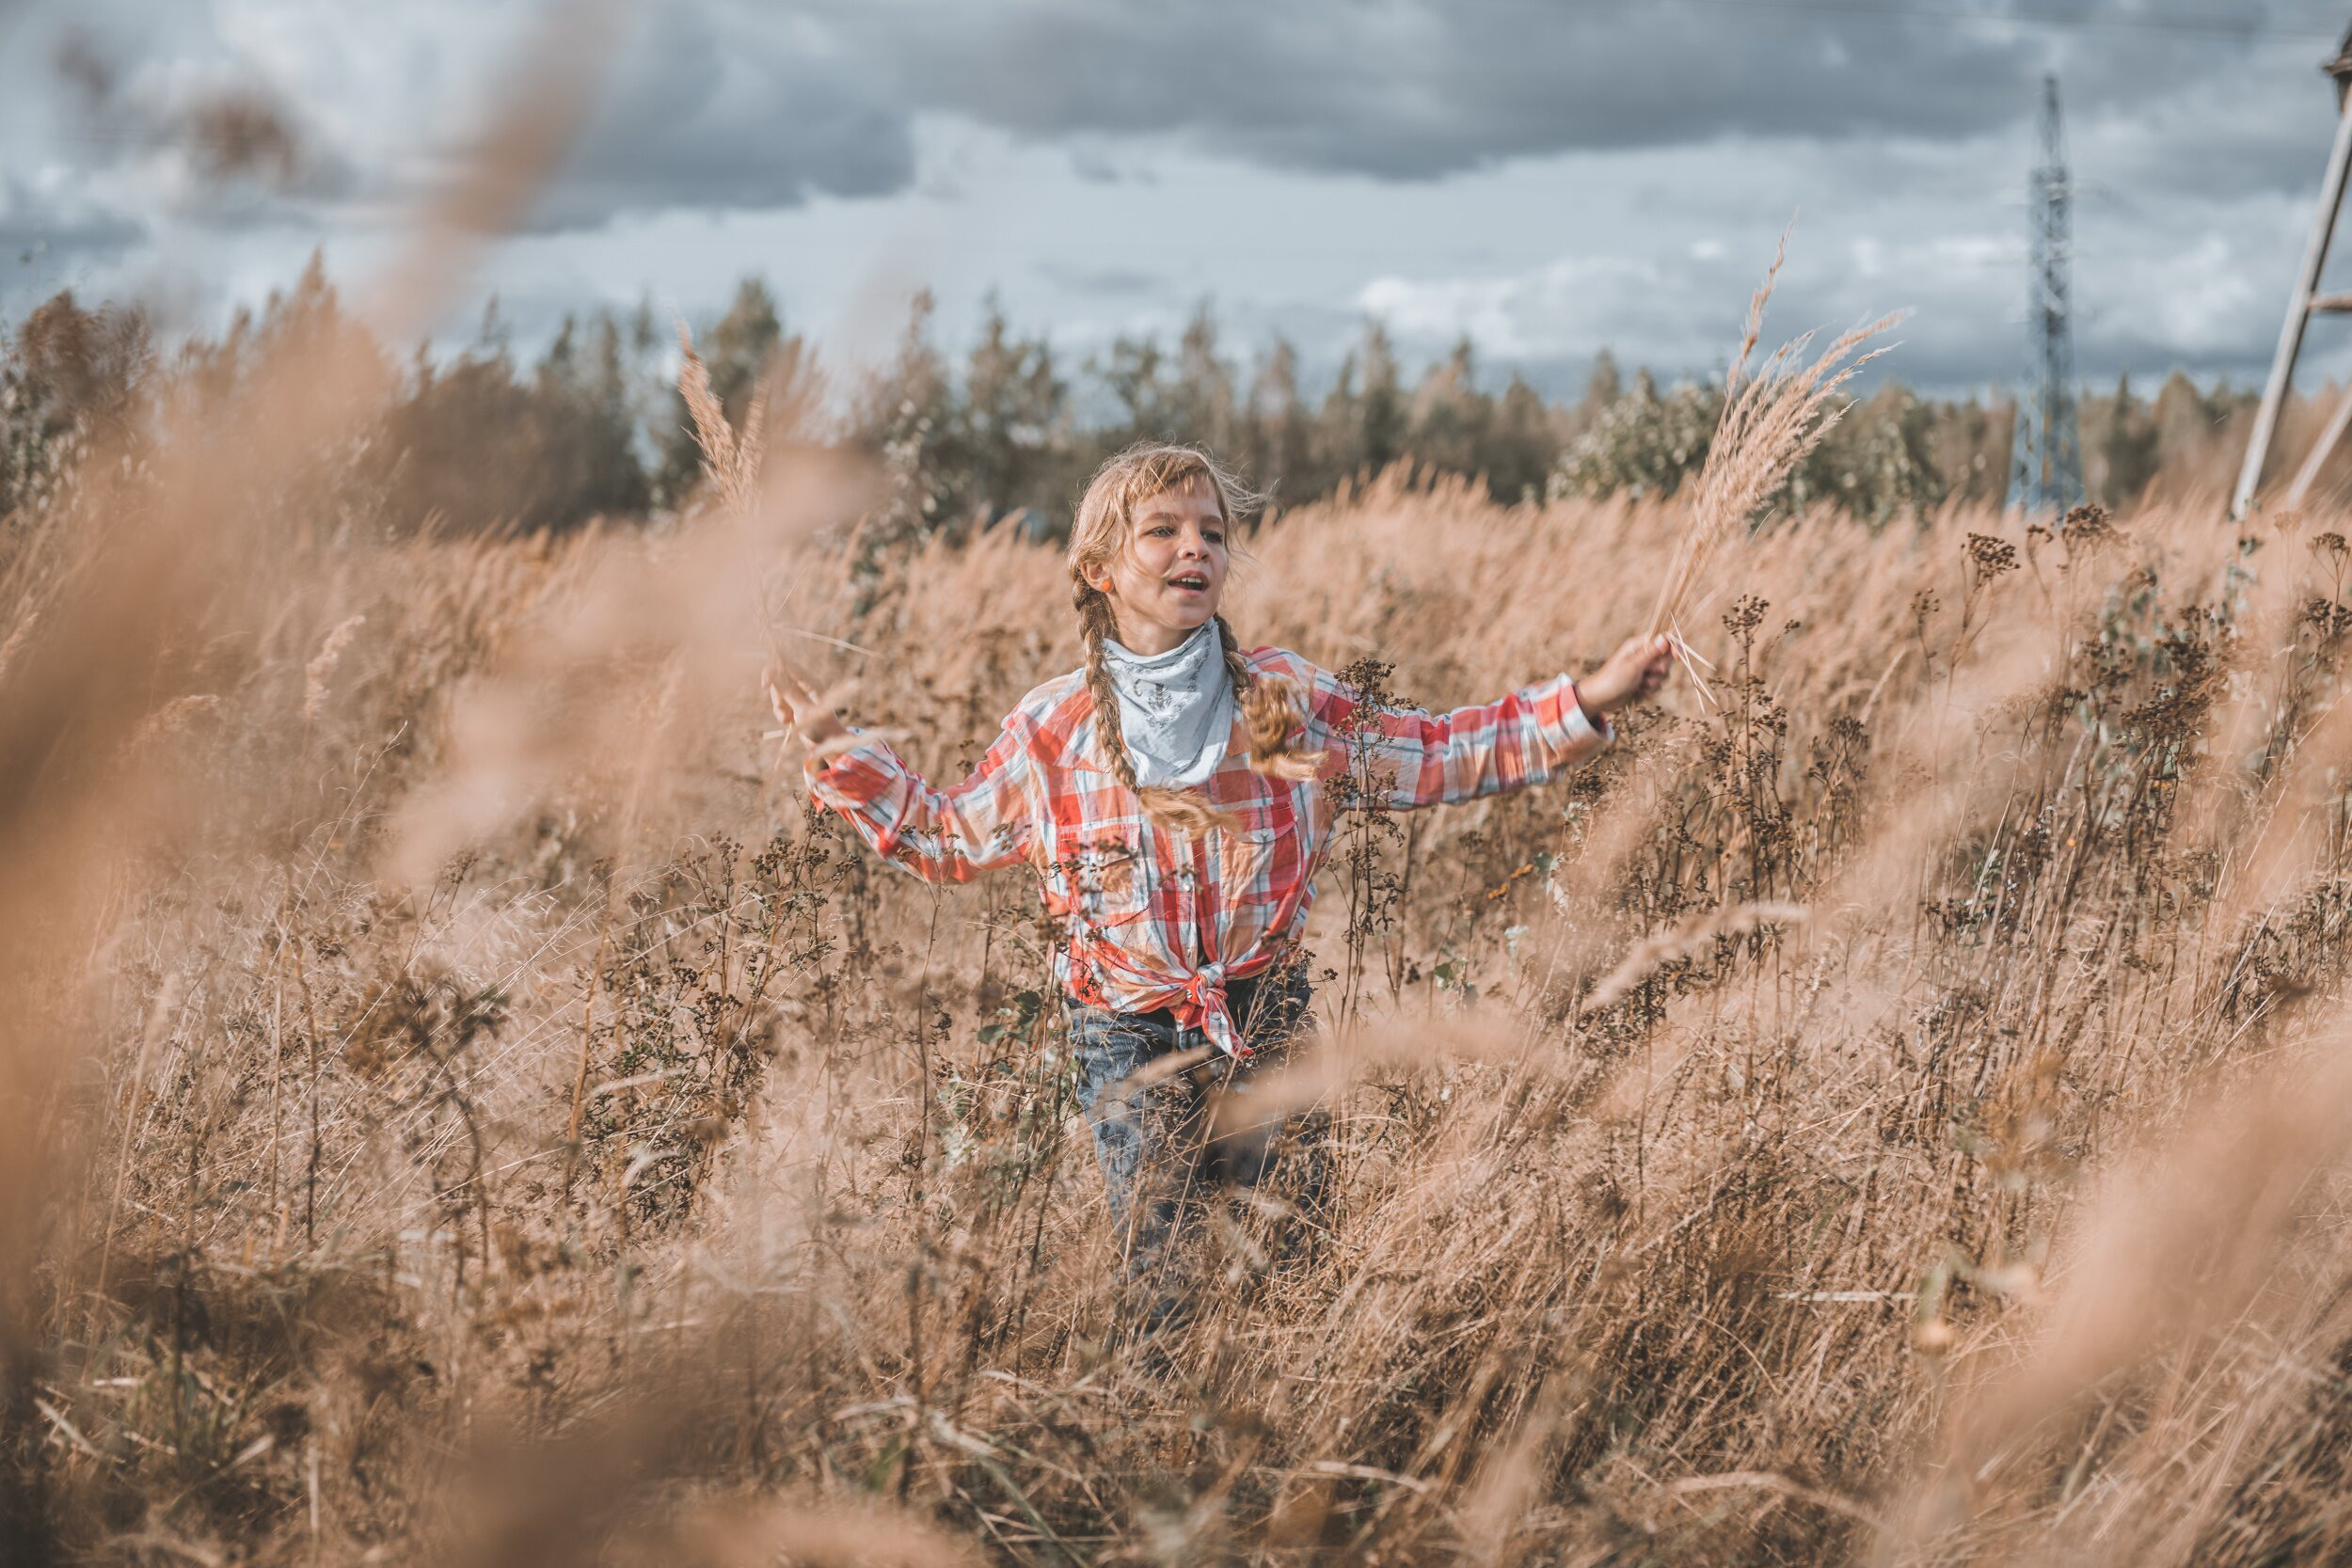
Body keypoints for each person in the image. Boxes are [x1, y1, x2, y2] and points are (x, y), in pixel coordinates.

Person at [767, 443, 1673, 1333]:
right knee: (1163, 1278)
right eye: (1160, 530)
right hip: (1124, 1031)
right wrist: (837, 754)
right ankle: (1161, 1443)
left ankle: (1290, 1436)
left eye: (1212, 530)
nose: (1194, 547)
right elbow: (948, 834)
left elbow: (1434, 755)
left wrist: (1590, 700)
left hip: (1266, 1012)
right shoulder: (1056, 727)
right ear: (1098, 569)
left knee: (1294, 1262)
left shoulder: (1280, 698)